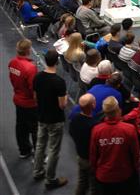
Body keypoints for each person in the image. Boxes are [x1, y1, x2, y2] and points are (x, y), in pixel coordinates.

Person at [32, 49, 68, 190]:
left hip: (42, 117)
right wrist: (65, 96)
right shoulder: (59, 82)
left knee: (40, 145)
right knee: (53, 149)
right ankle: (50, 179)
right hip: (55, 120)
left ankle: (37, 171)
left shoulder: (37, 77)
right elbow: (62, 105)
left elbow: (35, 97)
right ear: (57, 62)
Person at [90, 96, 140, 194]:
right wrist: (136, 168)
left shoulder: (96, 130)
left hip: (103, 176)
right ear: (118, 110)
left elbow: (93, 155)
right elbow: (135, 153)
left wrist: (94, 170)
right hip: (124, 174)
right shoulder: (129, 129)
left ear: (105, 113)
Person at [8, 38, 38, 159]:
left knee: (21, 127)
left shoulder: (12, 63)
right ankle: (39, 155)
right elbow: (33, 90)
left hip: (18, 99)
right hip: (30, 104)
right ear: (28, 50)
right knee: (36, 130)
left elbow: (12, 79)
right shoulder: (30, 68)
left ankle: (24, 150)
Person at [69, 93, 100, 195]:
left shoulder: (75, 119)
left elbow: (71, 132)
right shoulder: (94, 125)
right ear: (93, 105)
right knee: (94, 187)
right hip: (92, 160)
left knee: (82, 182)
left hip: (81, 157)